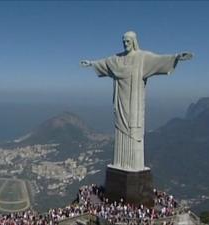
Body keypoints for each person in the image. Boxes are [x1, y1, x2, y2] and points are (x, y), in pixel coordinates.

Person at [80, 31, 192, 171]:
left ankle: (133, 165)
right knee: (120, 131)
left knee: (133, 132)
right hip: (120, 102)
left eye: (128, 41)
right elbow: (105, 63)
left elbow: (159, 60)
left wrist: (176, 57)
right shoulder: (117, 59)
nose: (125, 44)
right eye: (123, 41)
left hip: (134, 104)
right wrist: (91, 63)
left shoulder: (142, 58)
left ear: (133, 41)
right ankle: (120, 164)